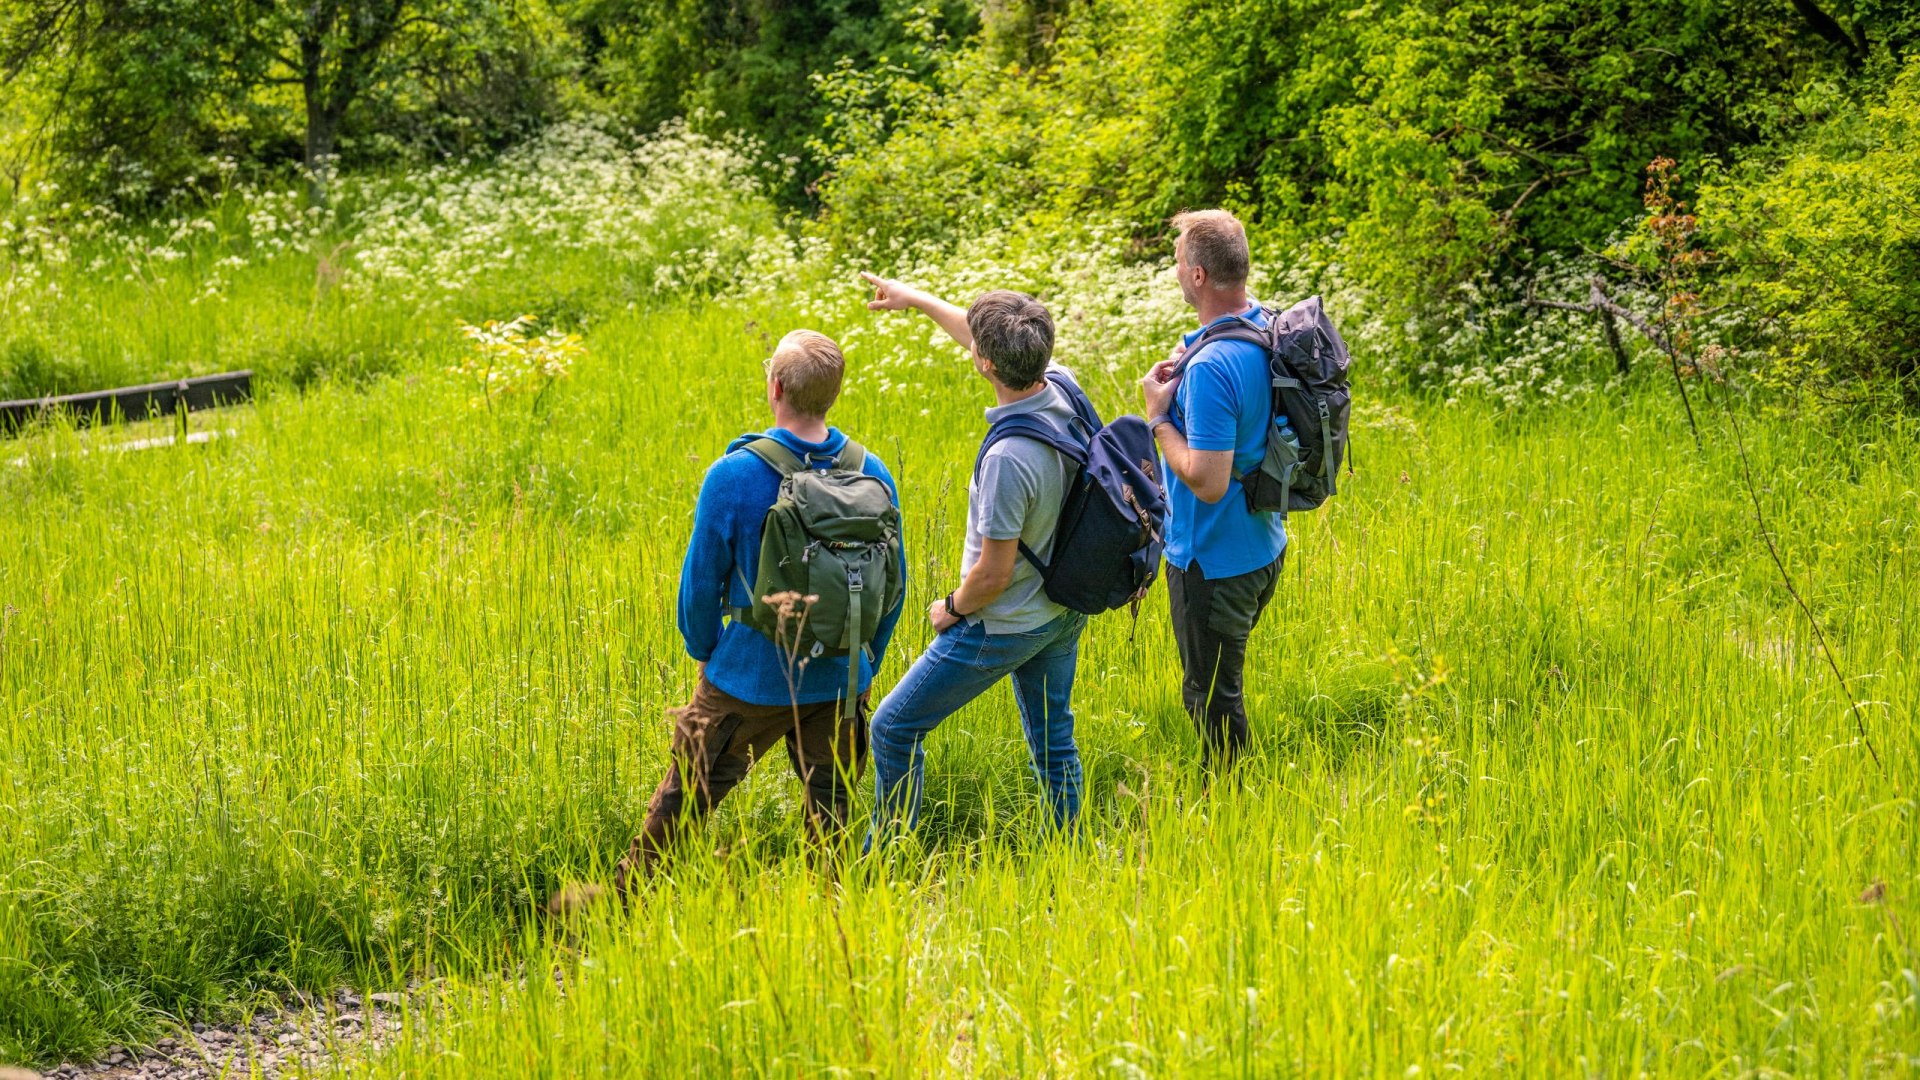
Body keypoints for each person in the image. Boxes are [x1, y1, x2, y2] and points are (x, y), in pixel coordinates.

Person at [614, 329, 905, 893]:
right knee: (832, 816)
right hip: (842, 678)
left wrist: (705, 652)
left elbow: (699, 582)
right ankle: (831, 919)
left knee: (682, 801)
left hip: (748, 675)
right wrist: (866, 656)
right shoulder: (874, 473)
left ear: (775, 387)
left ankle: (618, 910)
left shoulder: (733, 475)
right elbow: (894, 584)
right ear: (834, 394)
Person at [858, 273, 1088, 840]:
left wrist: (951, 609)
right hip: (1062, 608)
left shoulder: (1010, 457)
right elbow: (978, 335)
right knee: (1053, 735)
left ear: (986, 365)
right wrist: (914, 300)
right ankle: (1068, 844)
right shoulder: (1063, 386)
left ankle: (884, 853)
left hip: (1002, 624)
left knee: (891, 728)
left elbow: (993, 574)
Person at [1139, 209, 1287, 769]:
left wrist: (1158, 418)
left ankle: (1231, 803)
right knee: (1222, 681)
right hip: (1263, 546)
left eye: (1178, 260)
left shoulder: (1214, 365)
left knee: (1211, 698)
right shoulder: (1263, 325)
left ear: (1198, 275)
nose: (1176, 270)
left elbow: (1207, 480)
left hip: (1213, 563)